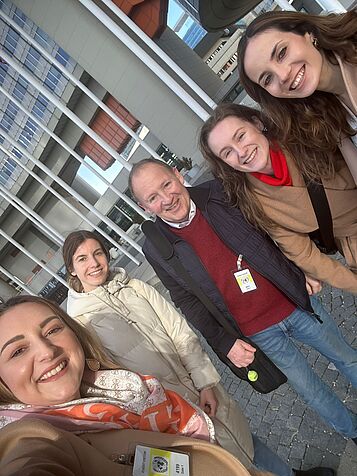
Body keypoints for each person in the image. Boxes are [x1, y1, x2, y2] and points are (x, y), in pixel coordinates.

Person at [129, 157, 357, 450]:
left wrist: (302, 269)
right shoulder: (156, 248)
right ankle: (352, 431)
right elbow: (185, 299)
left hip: (292, 301)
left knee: (347, 357)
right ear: (145, 207)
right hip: (258, 332)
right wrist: (224, 343)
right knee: (311, 392)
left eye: (167, 185)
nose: (167, 199)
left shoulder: (219, 192)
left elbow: (269, 230)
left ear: (177, 174)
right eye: (153, 198)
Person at [62, 229, 307, 476]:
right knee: (216, 463)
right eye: (82, 259)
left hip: (200, 389)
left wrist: (205, 383)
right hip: (169, 414)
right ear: (71, 269)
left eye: (98, 253)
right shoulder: (82, 323)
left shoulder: (136, 288)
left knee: (242, 438)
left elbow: (180, 333)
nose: (94, 263)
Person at [0, 295, 264, 476]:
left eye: (52, 330)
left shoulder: (123, 389)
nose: (47, 351)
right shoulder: (32, 441)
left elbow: (178, 333)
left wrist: (203, 379)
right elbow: (29, 460)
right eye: (18, 351)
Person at [198, 102, 357, 294]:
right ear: (225, 164)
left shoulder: (303, 135)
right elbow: (303, 254)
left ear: (257, 124)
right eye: (227, 153)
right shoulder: (254, 201)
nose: (241, 152)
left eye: (241, 136)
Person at [236, 10, 357, 182]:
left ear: (308, 33)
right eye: (268, 78)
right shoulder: (326, 113)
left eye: (282, 53)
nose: (283, 75)